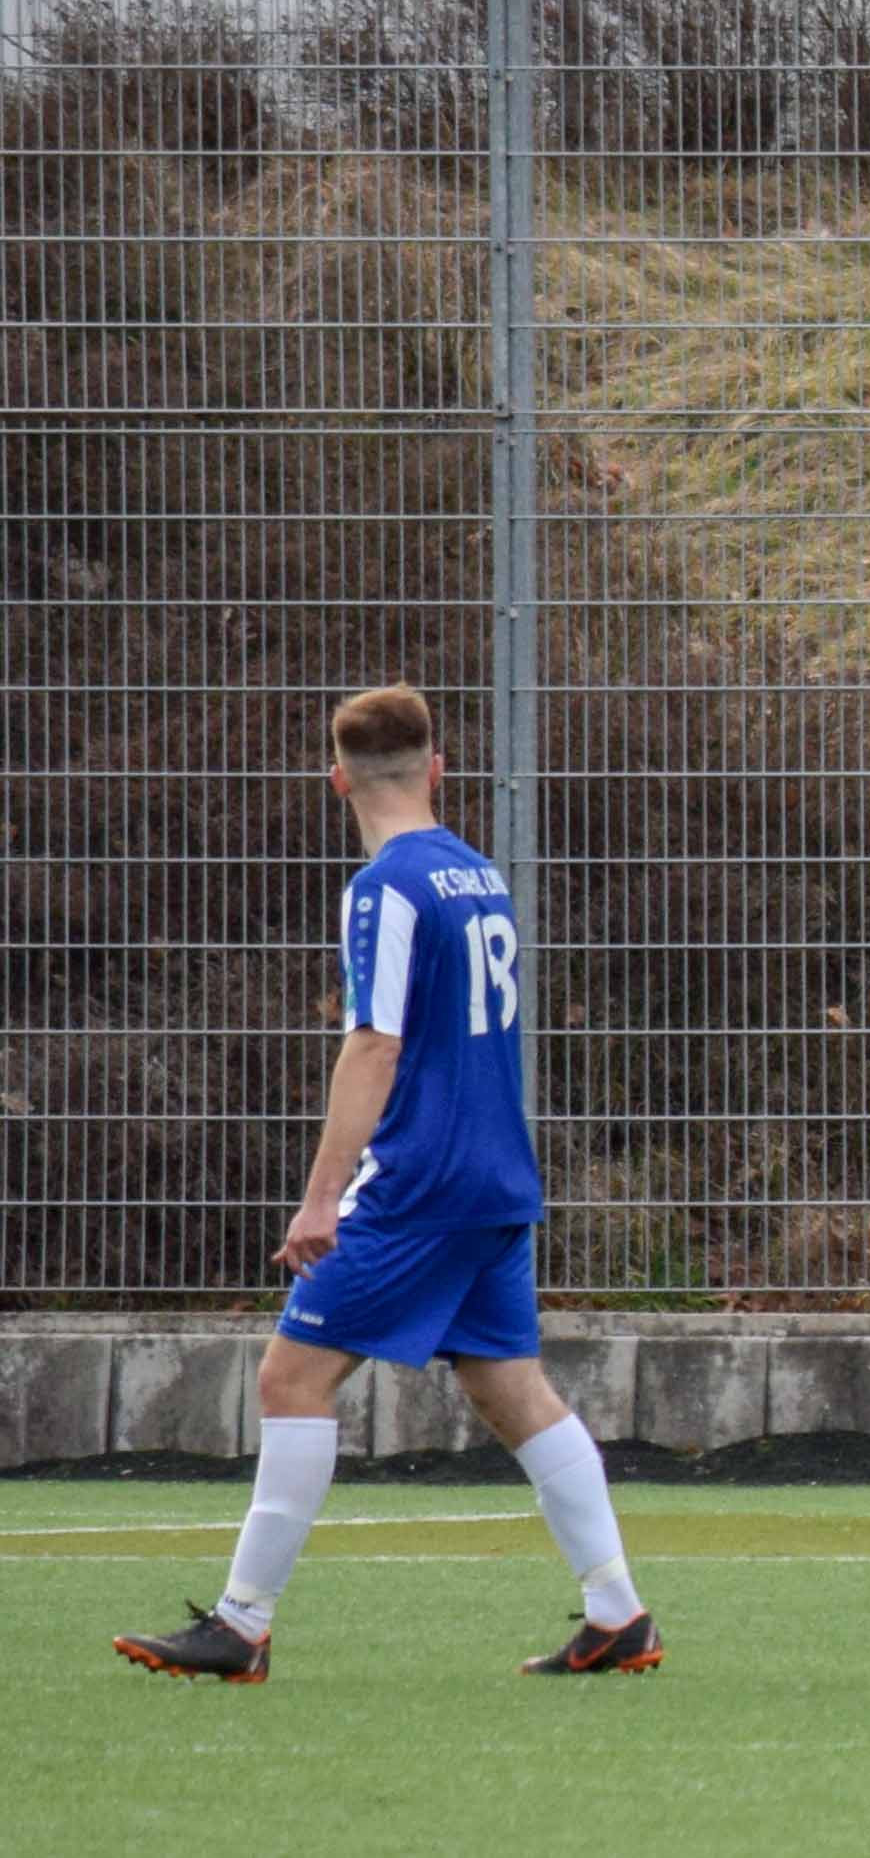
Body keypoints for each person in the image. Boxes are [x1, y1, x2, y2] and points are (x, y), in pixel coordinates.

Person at [112, 686, 659, 1683]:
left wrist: (323, 1196)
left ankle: (241, 1623)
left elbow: (374, 1043)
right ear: (437, 768)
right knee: (508, 1385)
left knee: (291, 1378)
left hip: (422, 1181)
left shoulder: (386, 887)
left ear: (337, 780)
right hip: (496, 1175)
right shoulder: (478, 872)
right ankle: (617, 1610)